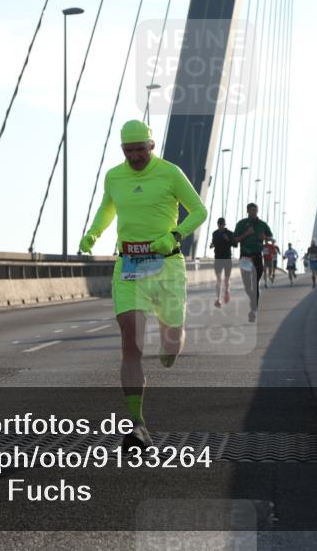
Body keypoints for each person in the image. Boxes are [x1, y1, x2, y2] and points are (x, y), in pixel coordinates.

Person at [79, 120, 207, 450]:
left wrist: (174, 236)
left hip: (166, 265)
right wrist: (94, 233)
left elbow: (199, 211)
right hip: (129, 266)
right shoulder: (114, 176)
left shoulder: (170, 173)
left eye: (140, 149)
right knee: (130, 340)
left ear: (151, 146)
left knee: (170, 340)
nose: (135, 156)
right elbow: (108, 208)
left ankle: (172, 345)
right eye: (128, 150)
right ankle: (136, 425)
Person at [232, 203, 273, 323]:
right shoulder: (241, 224)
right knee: (247, 286)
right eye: (252, 211)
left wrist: (265, 237)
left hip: (257, 257)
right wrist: (247, 233)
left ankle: (253, 310)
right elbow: (235, 240)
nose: (254, 212)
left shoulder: (262, 224)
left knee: (255, 284)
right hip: (245, 257)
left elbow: (270, 238)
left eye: (256, 210)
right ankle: (253, 302)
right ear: (247, 211)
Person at [209, 217, 236, 307]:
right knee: (218, 279)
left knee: (226, 280)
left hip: (227, 259)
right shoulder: (215, 233)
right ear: (218, 224)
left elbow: (235, 244)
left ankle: (227, 291)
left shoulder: (230, 233)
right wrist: (212, 245)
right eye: (219, 224)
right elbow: (214, 243)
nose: (220, 226)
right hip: (218, 259)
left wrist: (228, 239)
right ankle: (218, 300)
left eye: (222, 224)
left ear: (224, 225)